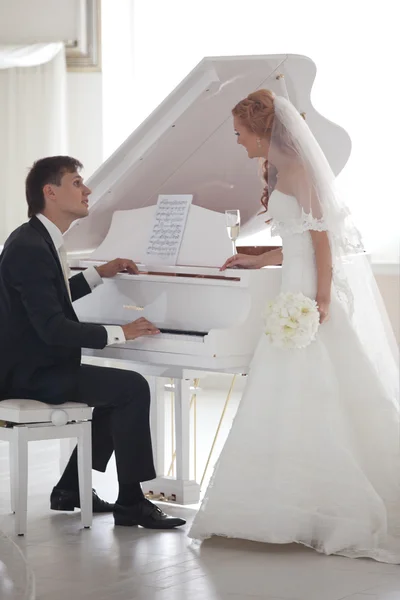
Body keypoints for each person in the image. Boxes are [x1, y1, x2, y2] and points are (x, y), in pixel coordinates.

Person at [189, 90, 400, 562]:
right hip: (293, 284)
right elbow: (295, 241)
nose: (237, 141)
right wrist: (255, 254)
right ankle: (284, 508)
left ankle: (321, 509)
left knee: (319, 392)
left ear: (261, 131)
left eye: (239, 132)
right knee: (287, 394)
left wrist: (320, 298)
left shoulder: (299, 171)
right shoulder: (280, 171)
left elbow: (323, 242)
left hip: (305, 295)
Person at [0, 156, 185, 529]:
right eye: (77, 183)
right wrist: (120, 332)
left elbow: (49, 299)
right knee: (130, 388)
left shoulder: (35, 239)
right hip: (28, 375)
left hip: (36, 366)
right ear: (49, 192)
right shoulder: (30, 247)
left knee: (112, 392)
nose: (87, 191)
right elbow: (52, 327)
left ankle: (70, 488)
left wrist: (98, 274)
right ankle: (132, 503)